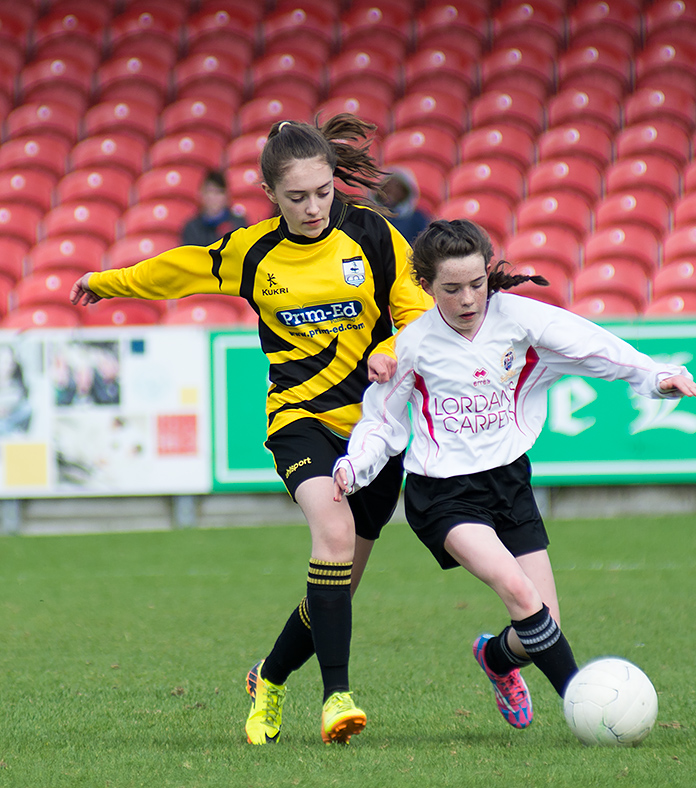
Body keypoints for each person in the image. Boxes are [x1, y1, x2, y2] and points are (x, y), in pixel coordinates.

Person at [70, 115, 433, 746]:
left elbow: (419, 314)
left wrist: (391, 349)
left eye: (323, 192)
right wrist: (107, 283)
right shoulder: (253, 251)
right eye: (297, 197)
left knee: (335, 587)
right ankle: (337, 697)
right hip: (299, 420)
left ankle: (268, 677)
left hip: (376, 431)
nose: (314, 207)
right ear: (269, 195)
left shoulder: (374, 234)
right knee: (333, 534)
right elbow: (180, 269)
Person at [333, 219, 696, 730]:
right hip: (442, 496)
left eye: (476, 283)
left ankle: (496, 658)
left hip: (509, 483)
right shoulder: (412, 345)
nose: (468, 298)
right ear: (426, 287)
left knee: (541, 625)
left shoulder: (519, 319)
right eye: (452, 289)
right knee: (519, 592)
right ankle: (587, 709)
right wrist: (354, 465)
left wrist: (656, 376)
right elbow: (381, 422)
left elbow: (593, 347)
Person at [181, 170, 248, 246]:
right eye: (209, 192)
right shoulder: (192, 227)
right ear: (201, 194)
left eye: (218, 192)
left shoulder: (238, 223)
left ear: (226, 196)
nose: (213, 197)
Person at [373, 167, 430, 244]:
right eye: (387, 186)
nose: (391, 191)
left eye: (397, 188)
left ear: (405, 193)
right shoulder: (368, 214)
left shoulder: (417, 219)